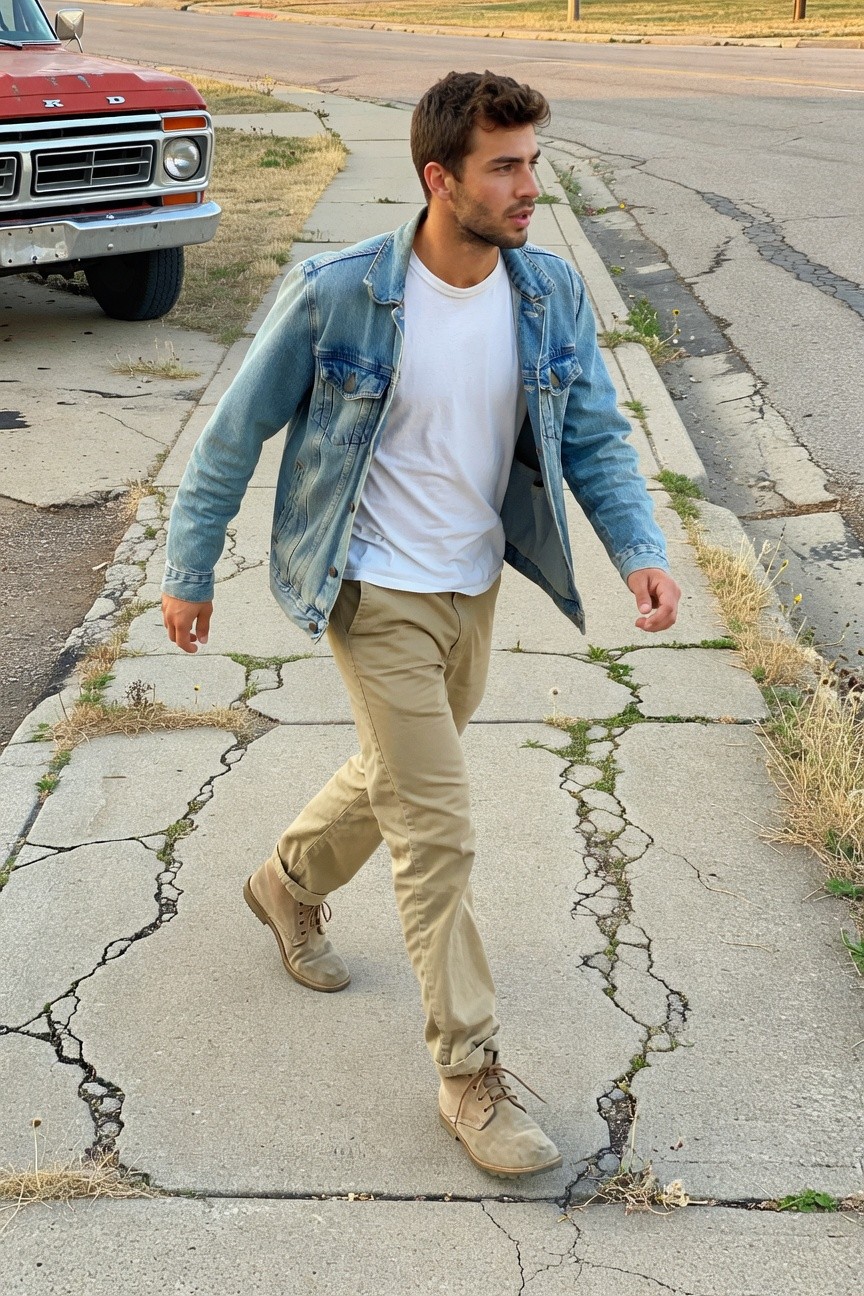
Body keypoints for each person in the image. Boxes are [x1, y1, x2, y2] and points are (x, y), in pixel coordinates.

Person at [161, 70, 681, 1179]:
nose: (530, 184)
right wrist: (189, 569)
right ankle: (469, 1073)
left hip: (472, 584)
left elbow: (591, 433)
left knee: (396, 773)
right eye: (505, 165)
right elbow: (229, 437)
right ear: (440, 178)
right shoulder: (340, 292)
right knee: (436, 830)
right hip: (370, 588)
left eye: (533, 159)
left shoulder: (546, 292)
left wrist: (639, 547)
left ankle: (287, 884)